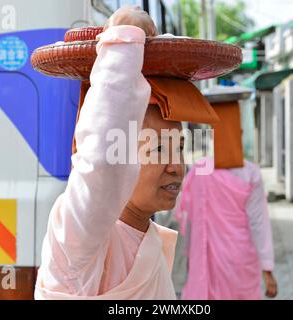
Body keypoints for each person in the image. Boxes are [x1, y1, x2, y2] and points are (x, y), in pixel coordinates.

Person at [35, 7, 184, 299]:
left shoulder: (145, 236)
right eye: (158, 149)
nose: (176, 167)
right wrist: (125, 37)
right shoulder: (82, 240)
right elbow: (101, 164)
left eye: (179, 148)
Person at [176, 157, 278, 299]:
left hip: (209, 261)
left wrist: (190, 256)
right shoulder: (250, 172)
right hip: (240, 263)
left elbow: (190, 221)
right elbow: (259, 223)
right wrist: (267, 269)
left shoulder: (200, 169)